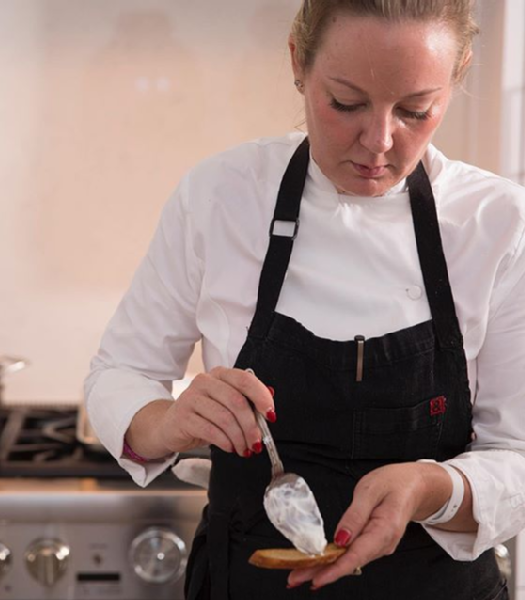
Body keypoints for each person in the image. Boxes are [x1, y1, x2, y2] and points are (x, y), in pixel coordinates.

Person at [85, 1, 525, 598]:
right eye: (346, 103)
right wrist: (165, 422)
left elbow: (518, 457)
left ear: (460, 74)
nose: (378, 141)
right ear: (298, 62)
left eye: (417, 110)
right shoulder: (221, 195)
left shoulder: (498, 222)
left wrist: (431, 489)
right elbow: (120, 372)